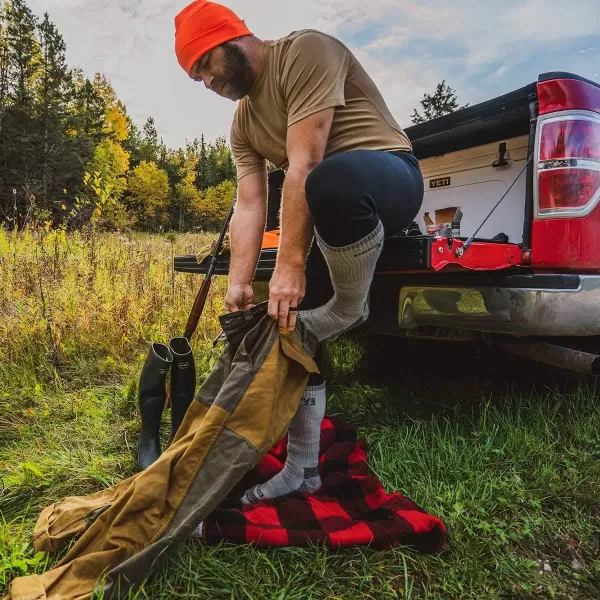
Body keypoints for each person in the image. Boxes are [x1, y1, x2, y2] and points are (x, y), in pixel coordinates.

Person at [174, 0, 424, 504]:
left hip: (384, 177)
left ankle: (352, 308)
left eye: (204, 65)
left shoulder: (306, 51)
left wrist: (290, 265)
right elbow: (249, 205)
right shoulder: (242, 126)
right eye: (195, 77)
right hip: (322, 202)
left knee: (330, 182)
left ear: (231, 38)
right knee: (296, 326)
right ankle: (302, 469)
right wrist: (239, 283)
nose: (205, 82)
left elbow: (305, 164)